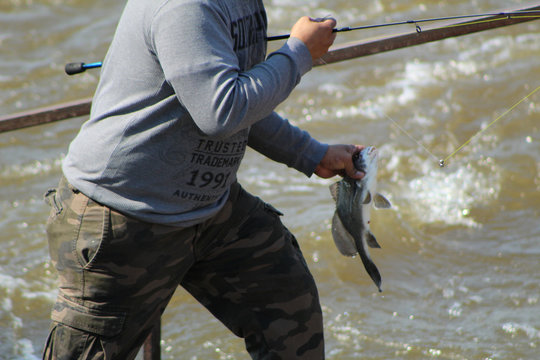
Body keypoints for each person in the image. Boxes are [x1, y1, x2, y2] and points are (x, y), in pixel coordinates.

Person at [43, 0, 364, 359]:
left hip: (211, 208)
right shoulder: (185, 7)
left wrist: (309, 152)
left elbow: (233, 93)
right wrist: (298, 53)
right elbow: (222, 110)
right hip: (122, 215)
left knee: (291, 313)